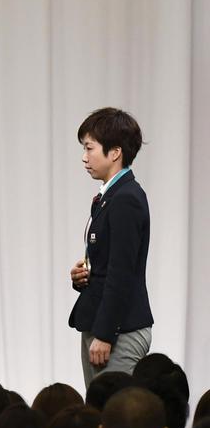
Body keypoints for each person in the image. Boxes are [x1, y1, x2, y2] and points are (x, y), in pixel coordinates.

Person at [69, 108, 152, 386]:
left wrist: (105, 334)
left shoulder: (126, 198)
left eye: (89, 148)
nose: (84, 157)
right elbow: (109, 267)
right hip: (105, 326)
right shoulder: (111, 196)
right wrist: (85, 276)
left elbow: (121, 274)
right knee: (99, 413)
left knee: (116, 417)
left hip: (119, 331)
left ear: (115, 152)